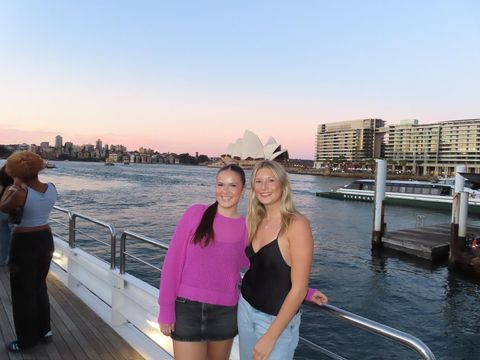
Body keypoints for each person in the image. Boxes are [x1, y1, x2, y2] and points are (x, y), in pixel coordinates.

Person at [238, 160, 328, 360]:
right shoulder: (255, 219)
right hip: (244, 307)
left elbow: (298, 288)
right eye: (258, 181)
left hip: (276, 322)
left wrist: (271, 336)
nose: (264, 187)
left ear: (283, 184)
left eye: (271, 180)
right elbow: (263, 268)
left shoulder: (297, 225)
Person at [158, 164, 248, 360]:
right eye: (220, 184)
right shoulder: (195, 214)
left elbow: (263, 269)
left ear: (243, 191)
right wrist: (166, 309)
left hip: (225, 313)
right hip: (186, 310)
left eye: (232, 186)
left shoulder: (247, 227)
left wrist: (304, 292)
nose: (225, 191)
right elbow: (172, 264)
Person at [0, 151, 58, 352]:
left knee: (22, 293)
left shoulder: (20, 194)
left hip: (25, 241)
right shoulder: (51, 189)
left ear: (18, 172)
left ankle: (26, 341)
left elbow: (3, 207)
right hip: (45, 238)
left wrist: (13, 187)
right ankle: (45, 330)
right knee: (39, 286)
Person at [0, 165, 14, 265]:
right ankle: (12, 260)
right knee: (13, 237)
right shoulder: (14, 186)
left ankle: (2, 260)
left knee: (3, 237)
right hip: (10, 212)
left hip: (1, 212)